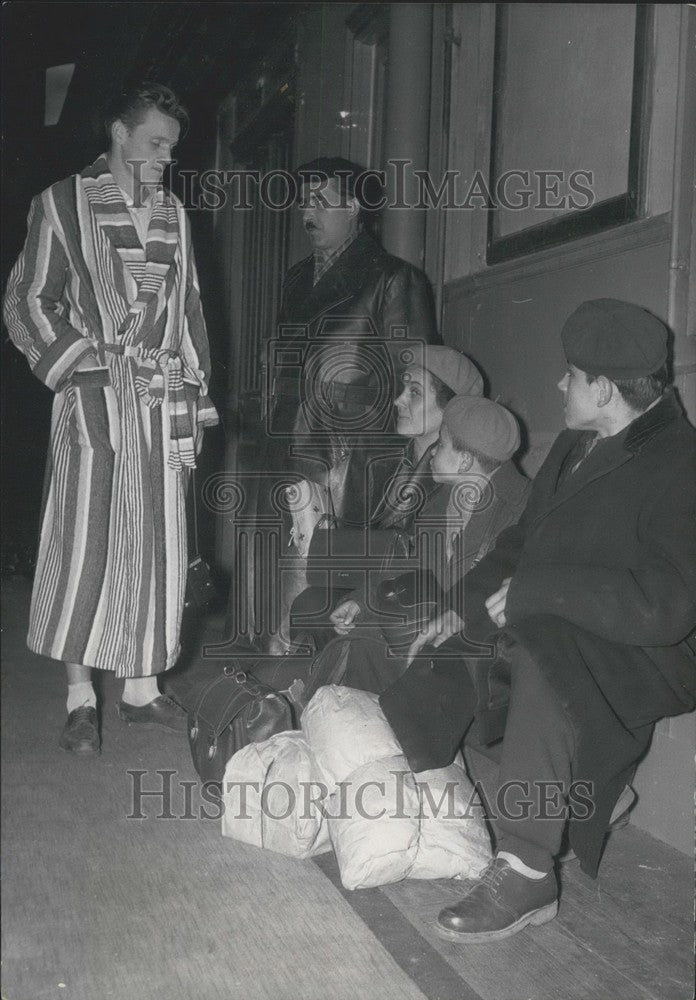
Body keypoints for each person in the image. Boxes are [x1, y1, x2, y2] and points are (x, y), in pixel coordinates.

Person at [380, 298, 695, 943]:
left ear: (604, 389)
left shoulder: (681, 464)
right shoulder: (578, 444)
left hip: (646, 650)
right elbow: (522, 540)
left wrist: (540, 593)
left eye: (571, 375)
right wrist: (461, 605)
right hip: (562, 612)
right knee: (466, 632)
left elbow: (668, 605)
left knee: (539, 633)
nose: (559, 385)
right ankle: (402, 774)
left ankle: (526, 868)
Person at [3, 82, 218, 754]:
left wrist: (196, 397)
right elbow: (27, 301)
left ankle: (141, 688)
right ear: (119, 135)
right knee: (85, 537)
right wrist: (80, 364)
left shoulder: (175, 215)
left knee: (157, 545)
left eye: (172, 149)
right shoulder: (61, 204)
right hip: (93, 395)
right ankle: (78, 699)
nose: (165, 158)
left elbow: (188, 311)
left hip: (160, 398)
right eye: (155, 143)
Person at [238, 156, 440, 652]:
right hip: (285, 445)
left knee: (320, 583)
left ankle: (311, 685)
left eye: (320, 201)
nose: (308, 211)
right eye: (304, 201)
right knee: (274, 580)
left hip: (349, 457)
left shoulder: (395, 279)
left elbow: (417, 376)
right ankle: (270, 677)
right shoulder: (295, 278)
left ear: (353, 207)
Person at [290, 345, 490, 651]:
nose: (399, 400)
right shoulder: (381, 458)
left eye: (415, 393)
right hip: (365, 577)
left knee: (327, 610)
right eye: (404, 390)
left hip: (415, 589)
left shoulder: (462, 475)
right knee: (310, 604)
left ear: (454, 409)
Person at [326, 394, 530, 694]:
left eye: (441, 443)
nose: (432, 451)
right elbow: (411, 565)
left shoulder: (523, 509)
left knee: (368, 651)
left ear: (464, 461)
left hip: (478, 650)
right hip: (430, 631)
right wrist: (361, 601)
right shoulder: (442, 501)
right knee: (360, 640)